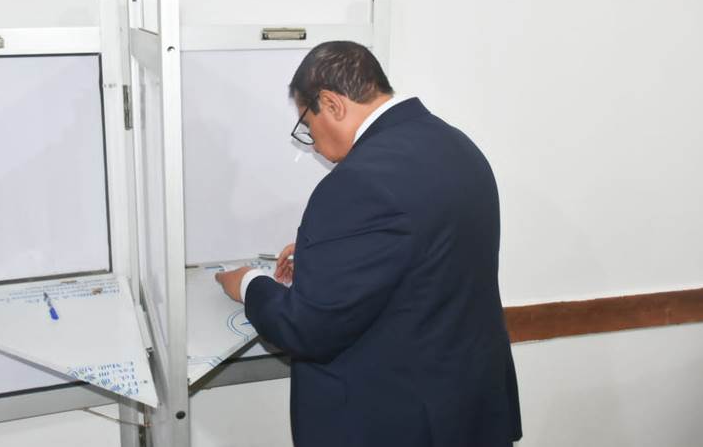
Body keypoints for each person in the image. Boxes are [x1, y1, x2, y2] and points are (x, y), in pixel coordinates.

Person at [215, 41, 522, 447]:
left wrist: (248, 283)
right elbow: (425, 256)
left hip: (395, 421)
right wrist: (325, 257)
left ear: (331, 104)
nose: (313, 143)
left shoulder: (357, 182)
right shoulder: (456, 145)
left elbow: (305, 328)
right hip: (468, 408)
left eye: (307, 125)